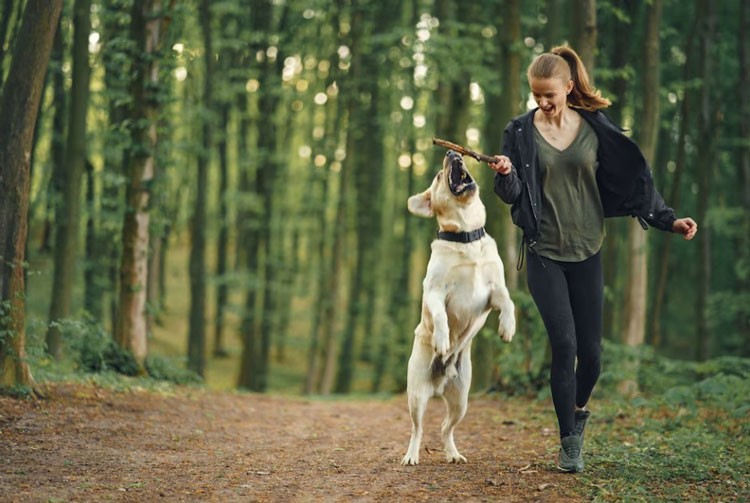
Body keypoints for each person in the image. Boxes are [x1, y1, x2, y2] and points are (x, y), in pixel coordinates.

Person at [488, 45, 697, 473]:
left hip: (587, 250)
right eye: (535, 95)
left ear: (567, 87)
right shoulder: (520, 132)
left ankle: (579, 409)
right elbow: (511, 197)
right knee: (564, 345)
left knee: (593, 356)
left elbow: (634, 178)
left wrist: (668, 220)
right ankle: (569, 444)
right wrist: (506, 175)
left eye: (549, 94)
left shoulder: (595, 129)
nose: (542, 103)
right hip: (543, 251)